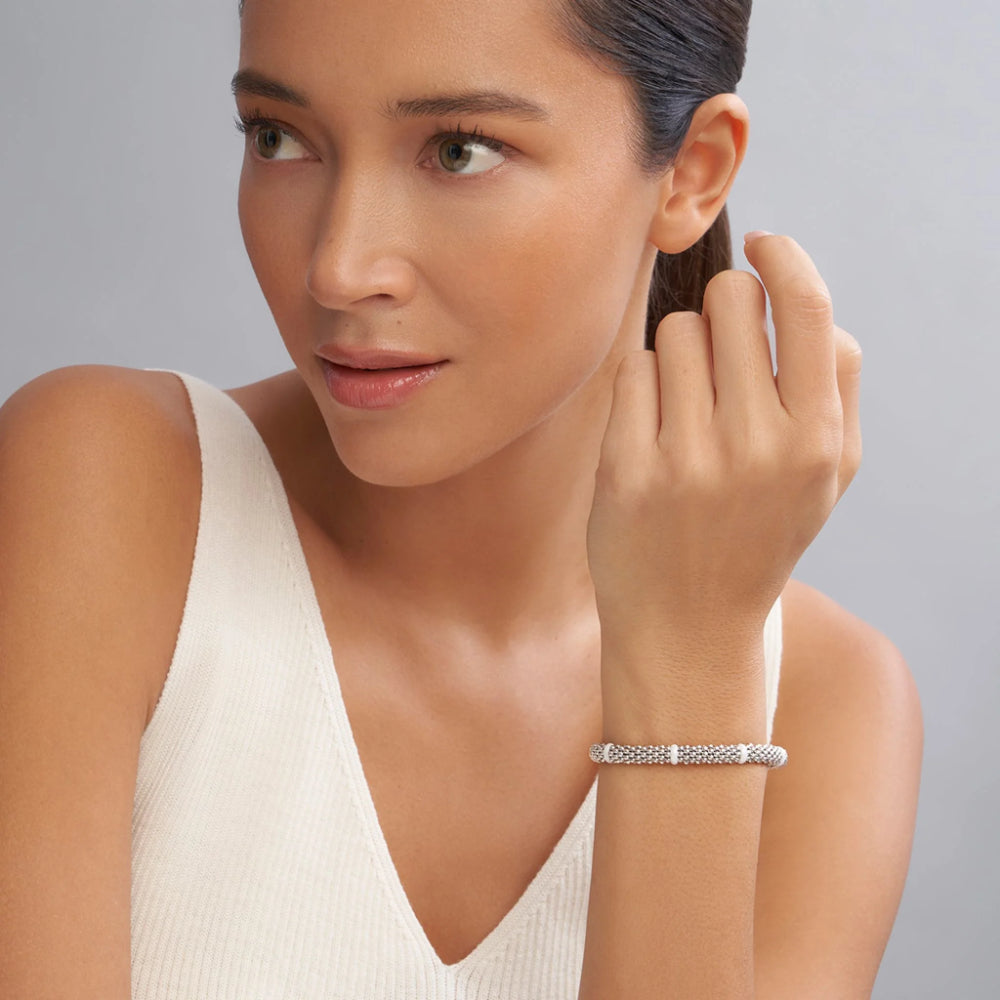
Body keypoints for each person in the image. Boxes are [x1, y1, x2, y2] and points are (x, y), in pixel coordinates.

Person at [0, 0, 923, 997]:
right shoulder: (107, 490)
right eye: (278, 137)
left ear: (693, 171)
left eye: (459, 152)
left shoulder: (829, 707)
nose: (339, 268)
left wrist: (690, 665)